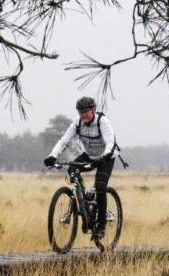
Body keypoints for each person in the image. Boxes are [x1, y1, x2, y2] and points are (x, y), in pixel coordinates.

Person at [43, 96, 117, 240]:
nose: (83, 115)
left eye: (86, 112)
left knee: (101, 187)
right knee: (72, 170)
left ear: (93, 110)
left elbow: (110, 142)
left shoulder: (103, 122)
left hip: (106, 157)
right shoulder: (77, 124)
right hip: (89, 155)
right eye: (80, 112)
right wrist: (52, 156)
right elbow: (63, 141)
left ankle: (100, 227)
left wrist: (105, 157)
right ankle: (85, 200)